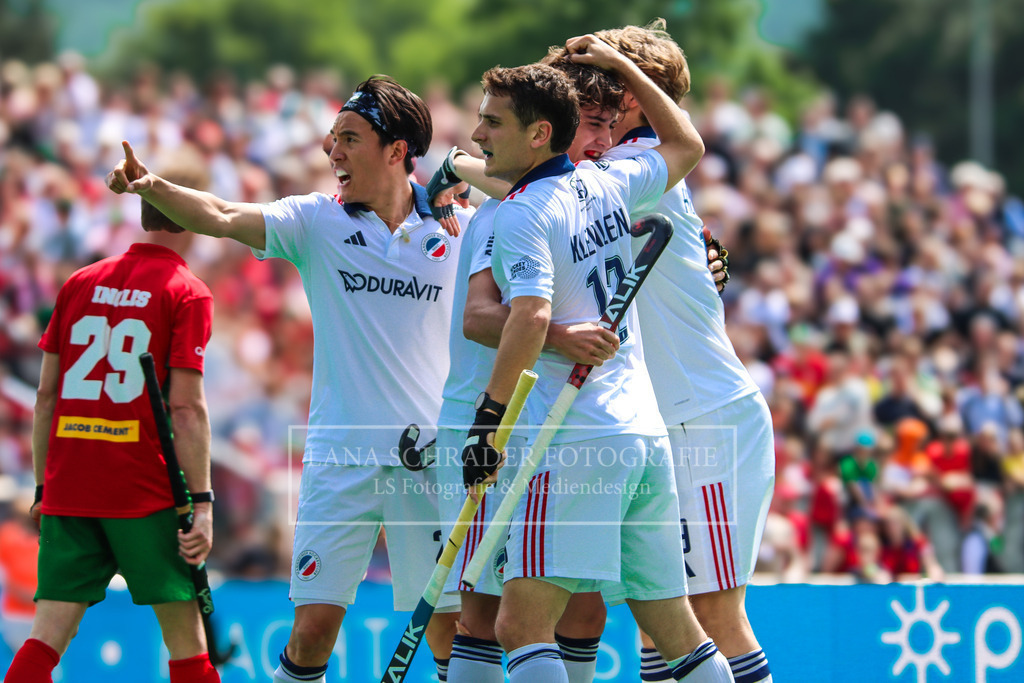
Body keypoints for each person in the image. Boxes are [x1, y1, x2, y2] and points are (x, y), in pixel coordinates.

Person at [106, 76, 465, 683]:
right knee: (312, 631)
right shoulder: (315, 220)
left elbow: (531, 200)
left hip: (430, 460)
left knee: (449, 633)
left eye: (349, 138)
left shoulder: (459, 228)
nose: (332, 151)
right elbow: (221, 215)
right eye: (331, 137)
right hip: (340, 459)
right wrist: (152, 186)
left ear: (398, 150)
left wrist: (455, 179)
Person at [460, 36, 731, 680]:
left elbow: (530, 317)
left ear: (538, 134)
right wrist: (623, 66)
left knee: (520, 626)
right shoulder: (611, 180)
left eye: (493, 122)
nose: (477, 134)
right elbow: (688, 144)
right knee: (677, 631)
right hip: (642, 434)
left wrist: (488, 422)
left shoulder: (524, 212)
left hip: (573, 438)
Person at [430, 58, 627, 683]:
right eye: (592, 124)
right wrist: (560, 337)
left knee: (567, 606)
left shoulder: (575, 196)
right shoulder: (508, 207)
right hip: (490, 419)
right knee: (486, 612)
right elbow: (482, 317)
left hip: (547, 427)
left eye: (611, 126)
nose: (603, 141)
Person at [5, 162, 220, 683]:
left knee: (46, 637)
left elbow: (46, 397)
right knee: (187, 645)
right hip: (144, 489)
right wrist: (203, 503)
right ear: (190, 210)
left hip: (71, 485)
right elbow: (186, 409)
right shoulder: (187, 291)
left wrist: (43, 487)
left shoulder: (80, 282)